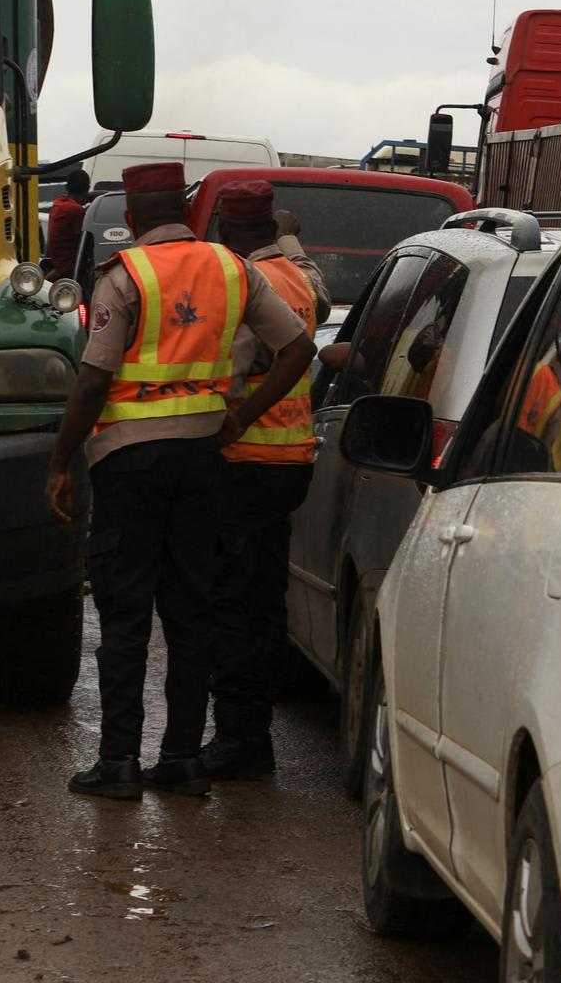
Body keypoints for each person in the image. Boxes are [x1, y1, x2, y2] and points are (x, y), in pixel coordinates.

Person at [44, 162, 315, 801]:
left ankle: (117, 764)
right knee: (192, 609)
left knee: (126, 610)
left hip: (129, 465)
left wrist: (59, 461)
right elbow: (299, 348)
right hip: (205, 459)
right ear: (189, 215)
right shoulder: (233, 269)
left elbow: (92, 380)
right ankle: (182, 759)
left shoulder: (125, 276)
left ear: (132, 219)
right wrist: (238, 417)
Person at [202, 181, 331, 780]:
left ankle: (242, 739)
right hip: (291, 459)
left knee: (233, 607)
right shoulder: (298, 277)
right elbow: (320, 306)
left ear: (225, 230)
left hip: (246, 459)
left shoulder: (241, 285)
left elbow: (240, 369)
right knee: (263, 602)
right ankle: (251, 733)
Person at [45, 169, 92, 278]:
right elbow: (84, 243)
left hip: (58, 265)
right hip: (70, 269)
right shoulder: (75, 210)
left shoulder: (58, 204)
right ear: (88, 188)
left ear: (67, 188)